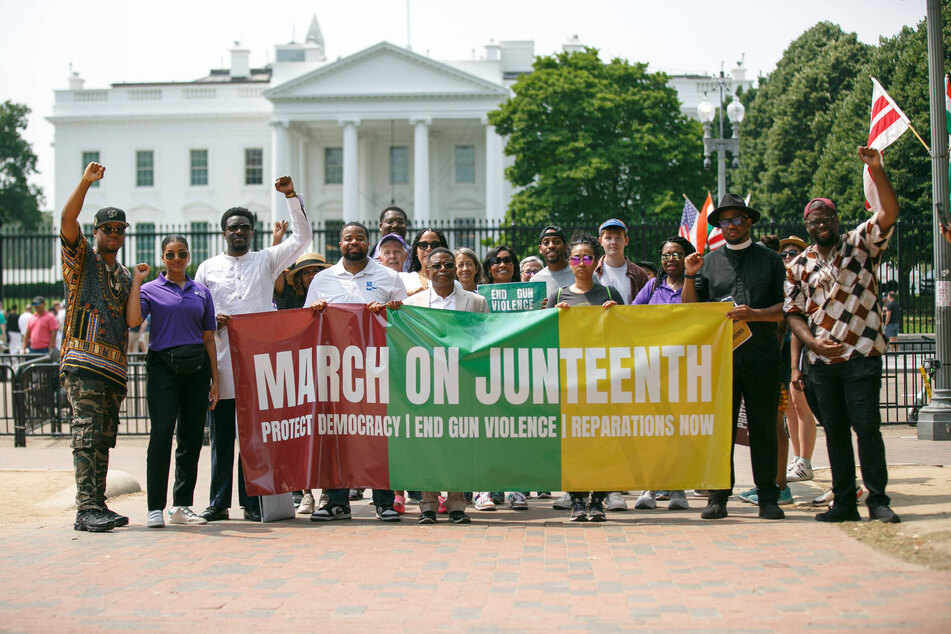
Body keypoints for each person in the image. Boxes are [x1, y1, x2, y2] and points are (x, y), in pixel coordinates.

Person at [785, 146, 901, 524]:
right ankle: (845, 503)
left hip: (862, 353)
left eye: (827, 218)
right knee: (835, 431)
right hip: (822, 360)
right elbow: (793, 313)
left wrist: (877, 170)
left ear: (836, 218)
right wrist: (813, 343)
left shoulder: (860, 244)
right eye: (814, 221)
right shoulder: (799, 266)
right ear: (807, 227)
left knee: (867, 428)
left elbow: (888, 213)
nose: (822, 224)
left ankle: (879, 501)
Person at [195, 175, 311, 523]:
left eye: (245, 227)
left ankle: (251, 502)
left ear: (252, 231)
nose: (239, 232)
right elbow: (197, 312)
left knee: (254, 440)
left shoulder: (266, 260)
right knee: (222, 439)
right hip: (222, 364)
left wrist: (290, 197)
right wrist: (214, 319)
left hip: (258, 366)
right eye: (233, 227)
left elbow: (302, 238)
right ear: (223, 232)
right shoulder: (207, 268)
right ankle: (218, 503)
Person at [682, 193, 787, 521]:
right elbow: (691, 309)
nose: (730, 226)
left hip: (763, 357)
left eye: (737, 220)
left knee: (763, 429)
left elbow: (787, 307)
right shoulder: (709, 262)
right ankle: (718, 496)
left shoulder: (770, 260)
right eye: (724, 221)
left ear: (749, 222)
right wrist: (688, 275)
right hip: (721, 361)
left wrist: (755, 314)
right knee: (719, 429)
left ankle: (768, 497)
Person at [306, 220, 407, 522]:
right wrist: (317, 311)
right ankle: (336, 501)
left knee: (379, 435)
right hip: (335, 372)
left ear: (368, 243)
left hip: (378, 369)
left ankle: (384, 501)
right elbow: (307, 321)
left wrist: (391, 308)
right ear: (339, 244)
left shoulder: (389, 276)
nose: (354, 243)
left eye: (360, 238)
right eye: (348, 238)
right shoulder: (323, 279)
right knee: (336, 434)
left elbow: (404, 317)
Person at [59, 161, 132, 532]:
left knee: (102, 439)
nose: (114, 233)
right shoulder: (82, 259)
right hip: (84, 363)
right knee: (86, 434)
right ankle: (85, 507)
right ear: (97, 231)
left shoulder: (123, 275)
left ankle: (97, 504)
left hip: (112, 370)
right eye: (108, 228)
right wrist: (86, 183)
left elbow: (133, 320)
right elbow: (66, 221)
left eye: (120, 229)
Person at [127, 235, 219, 528]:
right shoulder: (151, 290)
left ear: (189, 257)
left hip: (196, 368)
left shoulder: (201, 292)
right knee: (162, 433)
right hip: (163, 367)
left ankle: (181, 506)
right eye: (170, 254)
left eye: (181, 254)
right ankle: (155, 507)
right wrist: (136, 282)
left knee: (191, 438)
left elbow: (209, 338)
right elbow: (132, 322)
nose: (176, 259)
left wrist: (216, 379)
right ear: (163, 258)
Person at [403, 247, 488, 524]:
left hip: (462, 383)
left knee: (460, 445)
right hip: (426, 384)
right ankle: (427, 505)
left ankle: (456, 504)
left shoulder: (476, 302)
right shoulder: (410, 305)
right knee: (427, 444)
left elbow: (486, 340)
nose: (443, 270)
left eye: (448, 265)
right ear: (427, 270)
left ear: (456, 269)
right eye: (436, 265)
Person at [546, 233, 623, 522]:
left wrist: (618, 317)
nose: (581, 263)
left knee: (602, 442)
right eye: (576, 258)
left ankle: (598, 501)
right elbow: (544, 337)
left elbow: (630, 337)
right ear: (569, 262)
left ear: (596, 262)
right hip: (570, 382)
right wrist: (553, 316)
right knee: (574, 442)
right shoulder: (558, 296)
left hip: (604, 381)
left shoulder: (611, 296)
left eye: (587, 257)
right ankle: (578, 501)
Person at [631, 236, 696, 512]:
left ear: (688, 257)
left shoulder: (697, 284)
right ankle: (650, 486)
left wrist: (692, 278)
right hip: (654, 366)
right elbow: (631, 315)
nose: (671, 260)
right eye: (666, 255)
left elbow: (694, 311)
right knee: (653, 427)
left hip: (687, 367)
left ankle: (677, 488)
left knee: (679, 428)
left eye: (677, 255)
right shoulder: (652, 285)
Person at [778, 237, 817, 484]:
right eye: (784, 254)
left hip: (802, 343)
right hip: (784, 346)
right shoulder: (781, 281)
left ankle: (806, 460)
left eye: (793, 252)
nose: (788, 257)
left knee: (801, 403)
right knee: (789, 407)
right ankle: (797, 458)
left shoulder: (807, 279)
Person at [594, 218, 650, 307]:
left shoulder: (639, 274)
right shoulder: (592, 271)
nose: (613, 242)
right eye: (608, 238)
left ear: (626, 241)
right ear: (600, 241)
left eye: (618, 238)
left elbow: (647, 307)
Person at [400, 228, 450, 296]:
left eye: (435, 245)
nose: (429, 249)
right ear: (416, 251)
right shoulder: (404, 279)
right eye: (423, 245)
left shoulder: (453, 283)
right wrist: (407, 294)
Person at [531, 226, 572, 295]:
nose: (551, 246)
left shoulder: (582, 274)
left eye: (556, 242)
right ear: (540, 249)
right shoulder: (535, 281)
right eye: (546, 242)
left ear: (565, 247)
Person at [370, 206, 410, 271]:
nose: (395, 225)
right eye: (390, 221)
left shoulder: (416, 256)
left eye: (400, 222)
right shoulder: (368, 256)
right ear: (380, 226)